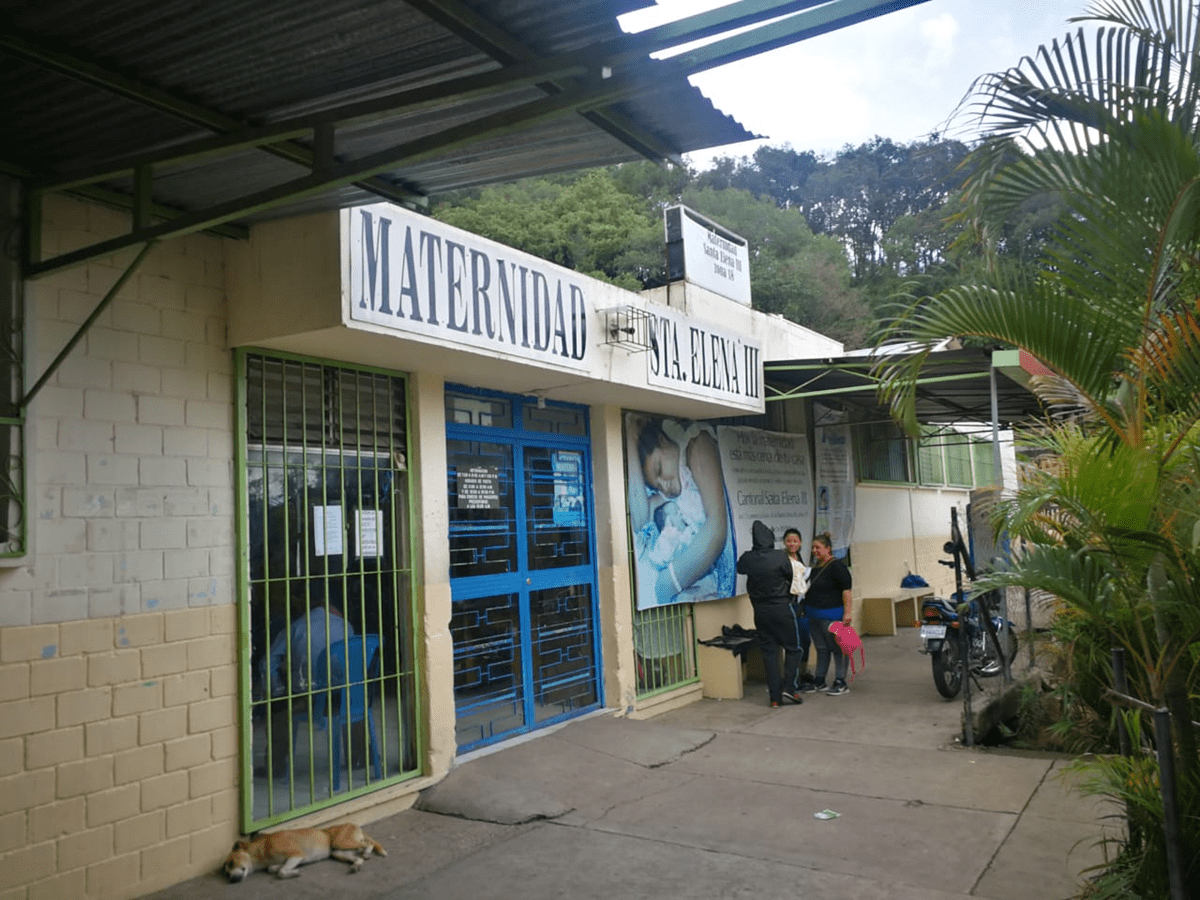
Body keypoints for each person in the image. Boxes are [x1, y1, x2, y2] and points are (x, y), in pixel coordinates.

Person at [634, 418, 734, 605]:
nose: (664, 484)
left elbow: (717, 527)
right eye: (658, 485)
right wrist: (631, 441)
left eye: (658, 469)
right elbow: (640, 521)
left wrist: (669, 581)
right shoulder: (673, 491)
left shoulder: (696, 444)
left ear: (663, 441)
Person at [264, 601, 355, 772]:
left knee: (280, 712)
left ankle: (275, 766)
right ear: (335, 610)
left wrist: (277, 691)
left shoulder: (296, 627)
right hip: (342, 698)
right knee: (358, 701)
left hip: (309, 698)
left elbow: (267, 663)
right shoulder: (346, 626)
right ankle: (360, 756)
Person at [736, 520, 805, 707]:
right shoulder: (780, 557)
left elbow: (740, 568)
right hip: (782, 608)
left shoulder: (748, 558)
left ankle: (774, 698)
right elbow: (792, 577)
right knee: (793, 649)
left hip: (760, 611)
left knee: (769, 653)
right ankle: (789, 689)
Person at [803, 532, 853, 696]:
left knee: (838, 648)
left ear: (828, 548)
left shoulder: (837, 567)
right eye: (813, 548)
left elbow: (846, 592)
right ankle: (820, 680)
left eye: (818, 547)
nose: (814, 551)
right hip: (813, 615)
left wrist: (847, 613)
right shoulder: (814, 568)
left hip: (832, 616)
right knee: (821, 648)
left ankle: (841, 681)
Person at [782, 527, 814, 686]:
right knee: (793, 641)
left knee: (805, 639)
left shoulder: (800, 559)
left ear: (800, 543)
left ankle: (804, 670)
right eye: (789, 541)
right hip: (789, 605)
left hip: (803, 606)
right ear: (784, 543)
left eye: (795, 541)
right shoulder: (782, 560)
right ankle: (793, 676)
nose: (792, 544)